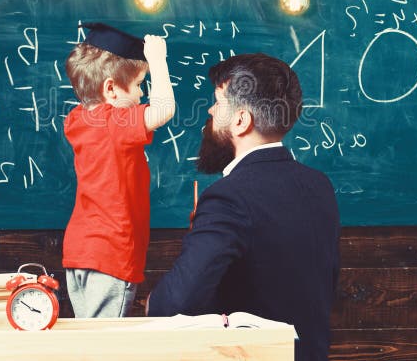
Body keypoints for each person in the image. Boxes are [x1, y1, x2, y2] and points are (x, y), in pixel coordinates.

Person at [147, 53, 340, 361]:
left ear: (241, 121)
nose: (210, 111)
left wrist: (152, 303)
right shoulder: (319, 186)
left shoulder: (228, 197)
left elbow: (173, 304)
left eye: (218, 103)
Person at [63, 22, 175, 318]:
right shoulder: (114, 123)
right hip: (111, 254)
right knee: (106, 346)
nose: (141, 96)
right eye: (139, 85)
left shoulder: (77, 120)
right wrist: (158, 61)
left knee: (91, 343)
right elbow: (163, 110)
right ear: (111, 89)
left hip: (79, 253)